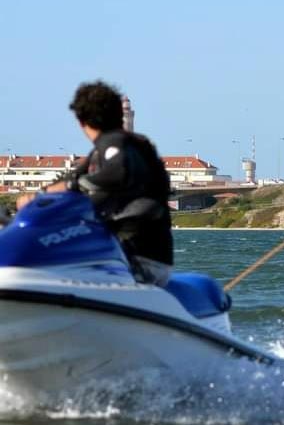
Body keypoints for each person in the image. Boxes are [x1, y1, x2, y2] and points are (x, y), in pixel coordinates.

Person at [16, 81, 174, 285]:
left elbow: (115, 173)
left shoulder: (117, 144)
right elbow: (69, 178)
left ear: (82, 122)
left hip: (137, 259)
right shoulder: (115, 148)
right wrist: (38, 196)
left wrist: (71, 187)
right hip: (132, 254)